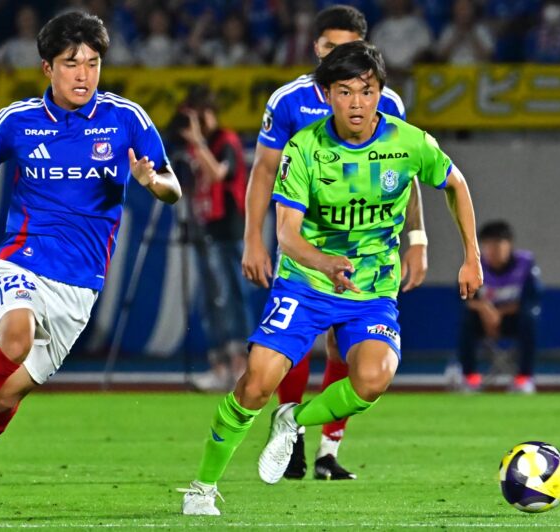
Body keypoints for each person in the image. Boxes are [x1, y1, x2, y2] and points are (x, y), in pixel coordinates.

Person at [180, 40, 482, 516]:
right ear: (326, 95)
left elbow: (455, 184)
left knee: (373, 378)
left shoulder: (408, 143)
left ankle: (293, 419)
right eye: (345, 92)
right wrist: (324, 264)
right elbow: (287, 233)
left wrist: (471, 256)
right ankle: (202, 487)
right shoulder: (305, 149)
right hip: (306, 282)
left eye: (367, 91)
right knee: (256, 383)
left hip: (371, 290)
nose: (357, 103)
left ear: (381, 91)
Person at [242, 4, 428, 481]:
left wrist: (417, 238)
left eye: (347, 48)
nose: (337, 55)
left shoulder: (383, 102)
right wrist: (254, 241)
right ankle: (294, 439)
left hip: (365, 249)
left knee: (349, 350)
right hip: (306, 245)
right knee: (299, 343)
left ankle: (328, 448)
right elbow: (264, 171)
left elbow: (404, 177)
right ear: (315, 48)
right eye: (329, 48)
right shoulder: (288, 101)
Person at [0, 11, 181, 446]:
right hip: (24, 260)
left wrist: (153, 182)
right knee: (14, 341)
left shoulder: (126, 119)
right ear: (47, 68)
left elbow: (173, 188)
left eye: (93, 63)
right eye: (72, 63)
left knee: (2, 397)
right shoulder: (15, 121)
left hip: (81, 283)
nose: (84, 74)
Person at [175, 87, 254, 392]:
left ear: (210, 114)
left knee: (234, 296)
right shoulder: (195, 148)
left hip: (229, 231)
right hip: (204, 228)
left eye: (198, 117)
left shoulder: (226, 141)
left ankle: (241, 366)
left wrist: (198, 143)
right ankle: (218, 363)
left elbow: (221, 174)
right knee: (210, 300)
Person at [458, 220, 542, 393]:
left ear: (509, 245)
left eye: (498, 244)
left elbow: (531, 299)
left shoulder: (525, 264)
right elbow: (464, 297)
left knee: (529, 319)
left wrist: (499, 314)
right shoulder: (475, 264)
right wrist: (485, 310)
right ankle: (469, 377)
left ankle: (524, 379)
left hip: (513, 320)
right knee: (466, 321)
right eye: (487, 245)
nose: (492, 250)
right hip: (483, 321)